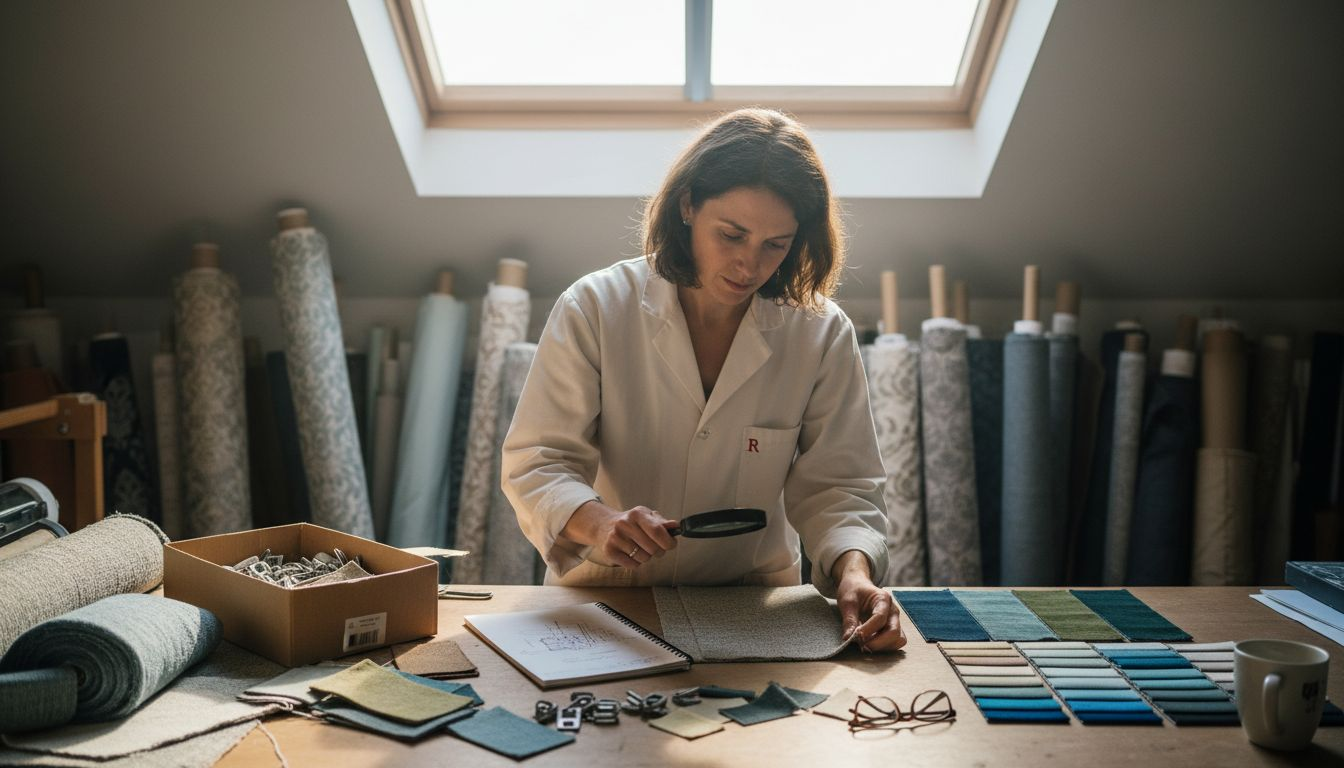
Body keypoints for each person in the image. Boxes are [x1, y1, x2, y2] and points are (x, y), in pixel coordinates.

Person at [501, 107, 905, 651]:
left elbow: (841, 486)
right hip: (605, 603)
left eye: (774, 245)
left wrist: (855, 572)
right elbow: (537, 462)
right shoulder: (595, 308)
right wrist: (599, 523)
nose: (748, 265)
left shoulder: (820, 332)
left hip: (752, 606)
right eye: (732, 235)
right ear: (688, 205)